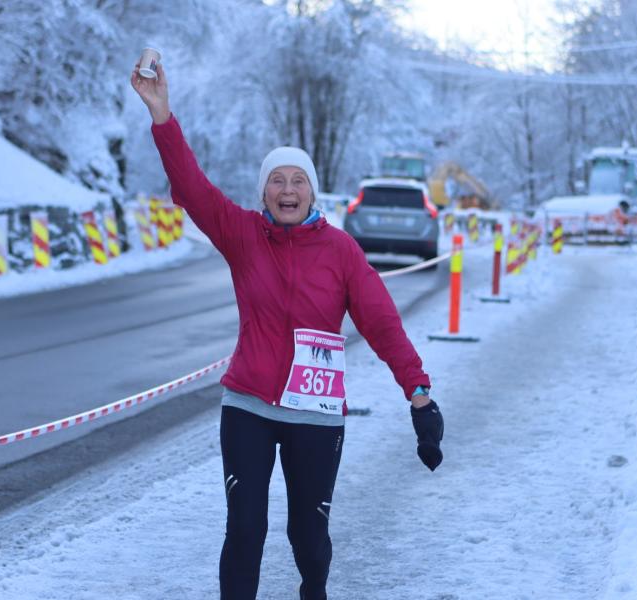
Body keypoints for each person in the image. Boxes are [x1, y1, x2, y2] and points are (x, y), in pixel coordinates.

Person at [131, 61, 444, 600]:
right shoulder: (242, 235)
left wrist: (419, 394)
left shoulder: (341, 251)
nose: (287, 189)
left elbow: (382, 324)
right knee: (245, 529)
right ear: (264, 193)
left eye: (298, 180)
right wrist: (161, 114)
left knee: (309, 537)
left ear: (312, 192)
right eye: (277, 180)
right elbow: (192, 187)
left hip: (315, 413)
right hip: (248, 405)